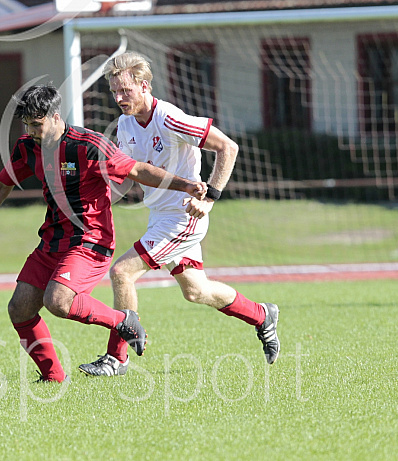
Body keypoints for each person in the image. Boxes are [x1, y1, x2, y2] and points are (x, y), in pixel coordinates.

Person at [0, 84, 207, 383]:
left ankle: (124, 321)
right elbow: (2, 184)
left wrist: (185, 185)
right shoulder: (27, 147)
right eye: (27, 125)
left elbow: (137, 169)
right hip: (52, 241)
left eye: (37, 124)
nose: (32, 131)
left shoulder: (88, 146)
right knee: (19, 308)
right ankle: (53, 378)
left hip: (90, 241)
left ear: (56, 117)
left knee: (58, 301)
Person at [78, 52, 280, 377]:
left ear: (144, 86)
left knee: (122, 273)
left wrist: (210, 198)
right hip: (159, 216)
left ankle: (117, 358)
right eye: (114, 92)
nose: (118, 98)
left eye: (125, 91)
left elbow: (229, 147)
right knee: (196, 291)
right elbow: (132, 172)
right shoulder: (126, 125)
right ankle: (262, 315)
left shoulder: (170, 118)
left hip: (184, 217)